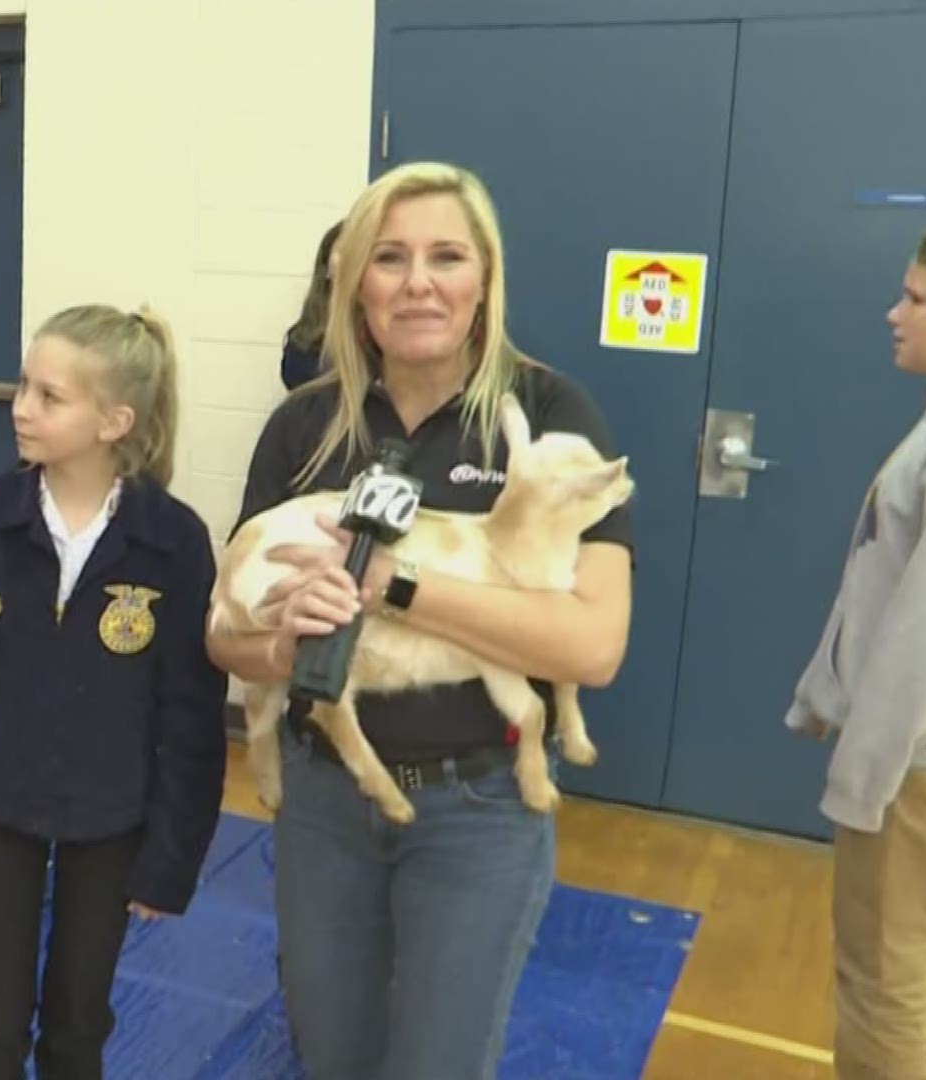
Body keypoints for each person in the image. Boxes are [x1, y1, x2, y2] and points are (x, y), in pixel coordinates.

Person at [205, 161, 634, 1080]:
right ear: (355, 283)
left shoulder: (553, 418)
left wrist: (395, 587)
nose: (419, 282)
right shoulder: (305, 428)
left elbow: (594, 648)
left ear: (485, 281)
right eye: (390, 258)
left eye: (447, 256)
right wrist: (277, 644)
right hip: (323, 805)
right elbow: (219, 641)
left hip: (477, 809)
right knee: (333, 1056)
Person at [0, 303, 230, 1079]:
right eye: (23, 386)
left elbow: (190, 715)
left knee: (80, 1021)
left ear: (115, 420)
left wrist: (169, 857)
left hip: (111, 816)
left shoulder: (172, 540)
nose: (20, 407)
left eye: (49, 396)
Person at [784, 229, 926, 1080]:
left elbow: (917, 637)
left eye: (915, 299)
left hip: (909, 769)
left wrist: (862, 776)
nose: (894, 313)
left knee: (885, 981)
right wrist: (824, 694)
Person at [280, 221, 343, 392]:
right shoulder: (303, 336)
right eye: (343, 250)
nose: (351, 259)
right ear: (327, 266)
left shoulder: (386, 331)